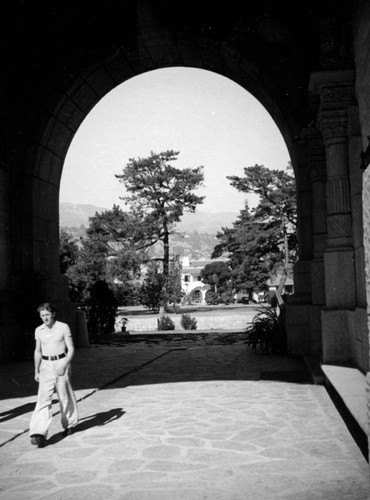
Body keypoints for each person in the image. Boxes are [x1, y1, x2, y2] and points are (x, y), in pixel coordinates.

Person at [29, 302, 79, 447]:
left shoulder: (63, 327)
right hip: (45, 365)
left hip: (61, 363)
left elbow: (70, 348)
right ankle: (38, 432)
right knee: (43, 398)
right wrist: (36, 370)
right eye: (42, 315)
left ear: (53, 314)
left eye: (47, 315)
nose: (45, 318)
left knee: (64, 396)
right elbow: (37, 351)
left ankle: (69, 424)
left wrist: (64, 364)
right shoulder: (39, 330)